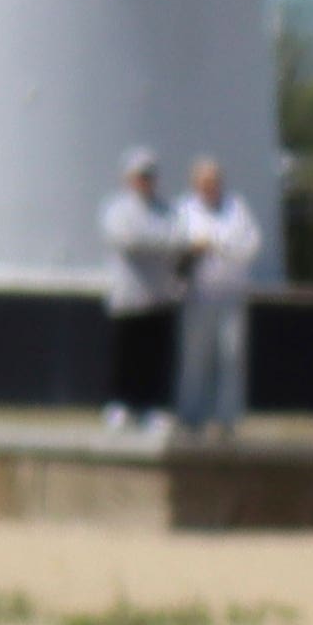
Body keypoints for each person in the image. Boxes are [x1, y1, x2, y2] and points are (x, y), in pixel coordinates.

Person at [98, 149, 188, 434]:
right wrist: (160, 245)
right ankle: (121, 405)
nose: (145, 181)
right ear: (128, 178)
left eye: (149, 176)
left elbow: (177, 240)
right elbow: (127, 240)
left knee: (155, 355)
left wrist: (156, 244)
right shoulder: (116, 209)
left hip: (159, 296)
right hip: (128, 295)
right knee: (126, 354)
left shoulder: (166, 210)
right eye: (140, 176)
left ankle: (154, 407)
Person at [173, 152, 264, 436]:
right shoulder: (184, 209)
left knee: (230, 355)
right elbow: (175, 248)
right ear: (195, 184)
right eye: (204, 182)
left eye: (214, 182)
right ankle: (191, 416)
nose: (209, 187)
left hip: (231, 295)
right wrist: (194, 249)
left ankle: (227, 419)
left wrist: (223, 247)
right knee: (194, 357)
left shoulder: (236, 208)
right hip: (198, 295)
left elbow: (252, 243)